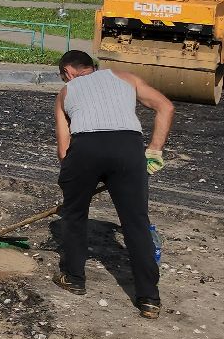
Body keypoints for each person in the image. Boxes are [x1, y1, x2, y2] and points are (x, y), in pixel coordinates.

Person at [52, 49, 174, 319]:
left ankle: (74, 278)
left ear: (68, 72)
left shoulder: (66, 93)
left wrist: (74, 184)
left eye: (64, 77)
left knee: (73, 216)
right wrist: (154, 151)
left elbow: (64, 150)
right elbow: (165, 106)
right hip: (128, 148)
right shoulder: (126, 78)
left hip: (86, 148)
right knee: (136, 222)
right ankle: (149, 299)